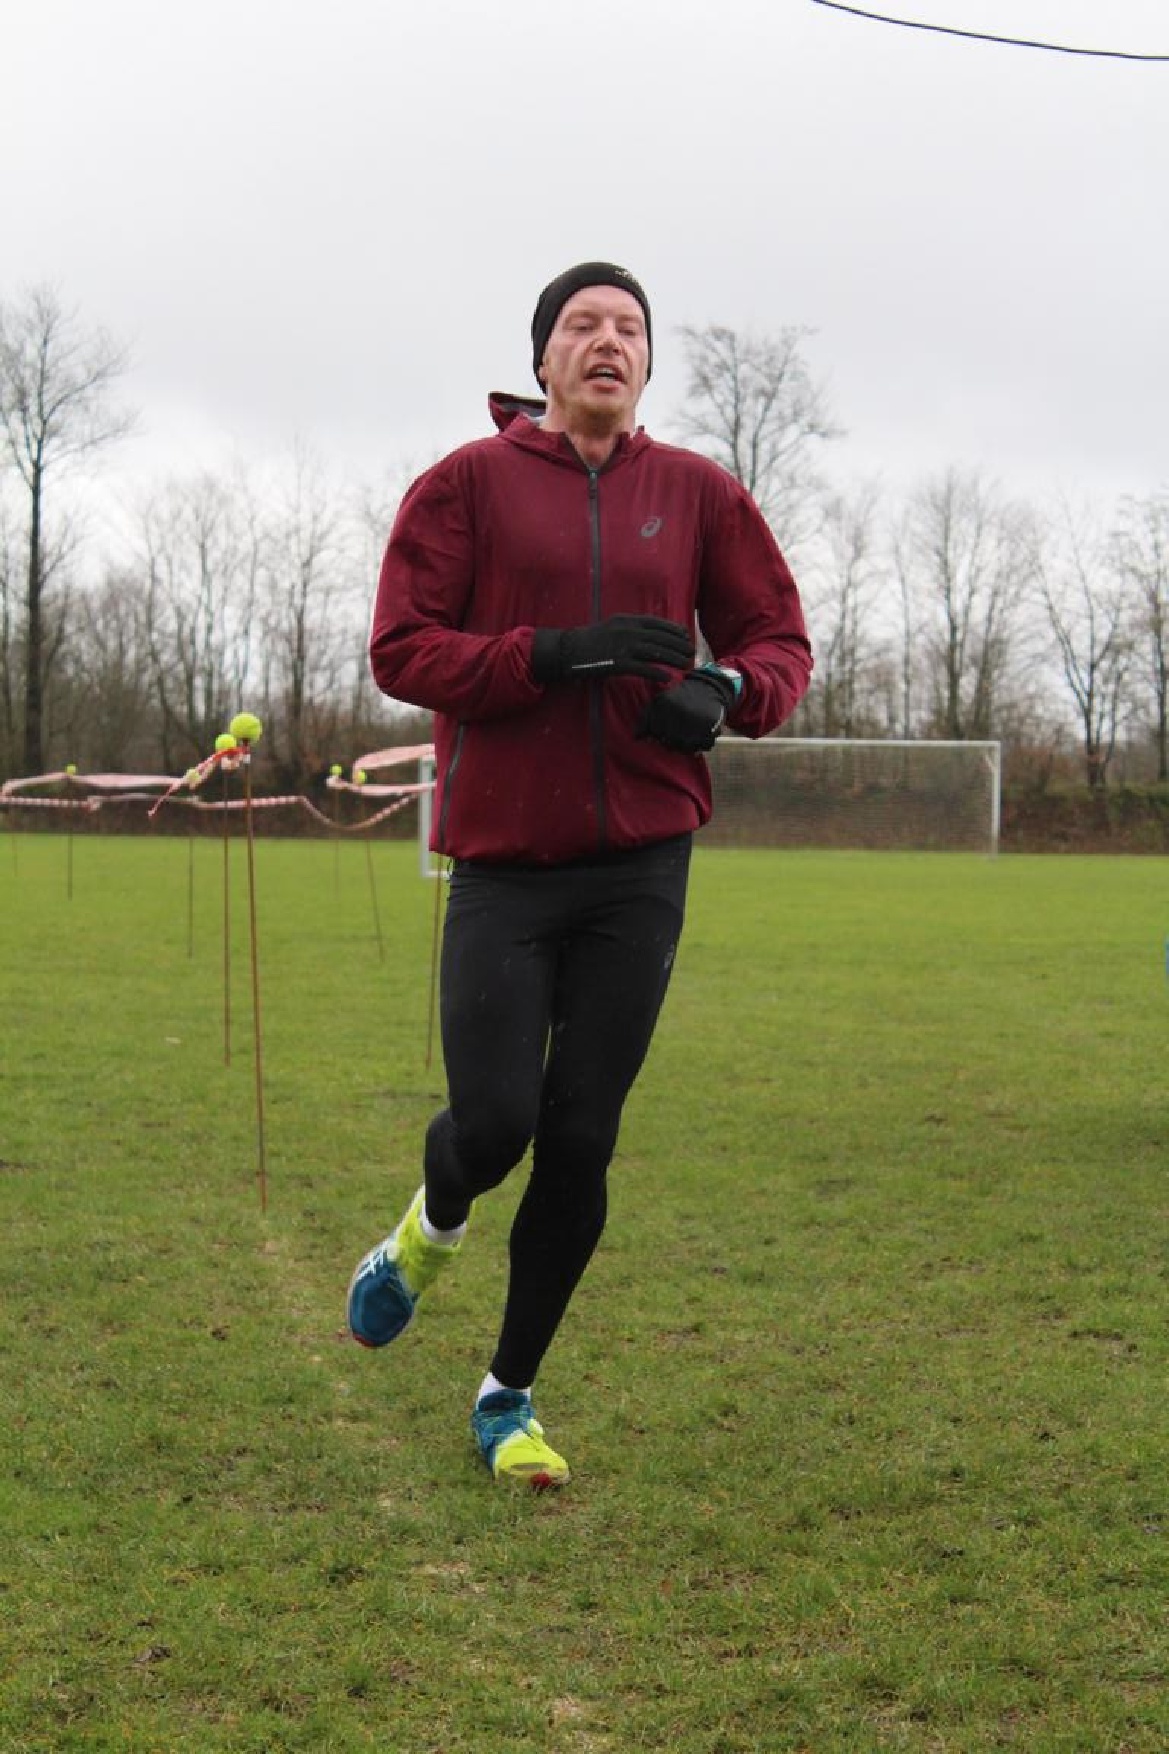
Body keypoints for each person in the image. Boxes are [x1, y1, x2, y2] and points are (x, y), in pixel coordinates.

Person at [347, 261, 812, 1488]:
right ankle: (425, 1228)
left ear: (647, 363)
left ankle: (507, 1394)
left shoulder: (699, 494)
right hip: (504, 861)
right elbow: (401, 646)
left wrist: (723, 691)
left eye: (627, 329)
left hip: (639, 866)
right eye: (580, 327)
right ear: (541, 359)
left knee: (581, 1137)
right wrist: (550, 653)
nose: (605, 343)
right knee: (494, 1121)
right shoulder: (465, 486)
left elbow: (777, 641)